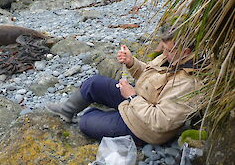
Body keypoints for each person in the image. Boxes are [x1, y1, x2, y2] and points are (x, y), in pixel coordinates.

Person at [45, 32, 200, 145]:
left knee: (86, 121)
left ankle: (110, 116)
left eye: (168, 50)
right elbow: (150, 76)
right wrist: (132, 63)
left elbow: (160, 121)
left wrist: (132, 97)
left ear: (186, 52)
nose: (164, 53)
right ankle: (66, 110)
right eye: (164, 49)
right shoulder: (171, 58)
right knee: (94, 83)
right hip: (138, 101)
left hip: (144, 128)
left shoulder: (188, 84)